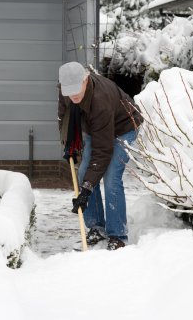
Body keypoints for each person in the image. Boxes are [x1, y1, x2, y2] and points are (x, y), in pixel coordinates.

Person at [58, 61, 143, 250]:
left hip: (124, 127)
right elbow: (63, 116)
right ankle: (96, 227)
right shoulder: (67, 91)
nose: (73, 95)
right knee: (83, 175)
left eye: (76, 89)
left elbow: (102, 152)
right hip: (95, 126)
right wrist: (68, 145)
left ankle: (118, 235)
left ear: (86, 79)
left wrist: (87, 189)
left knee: (111, 177)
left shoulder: (100, 99)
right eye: (68, 91)